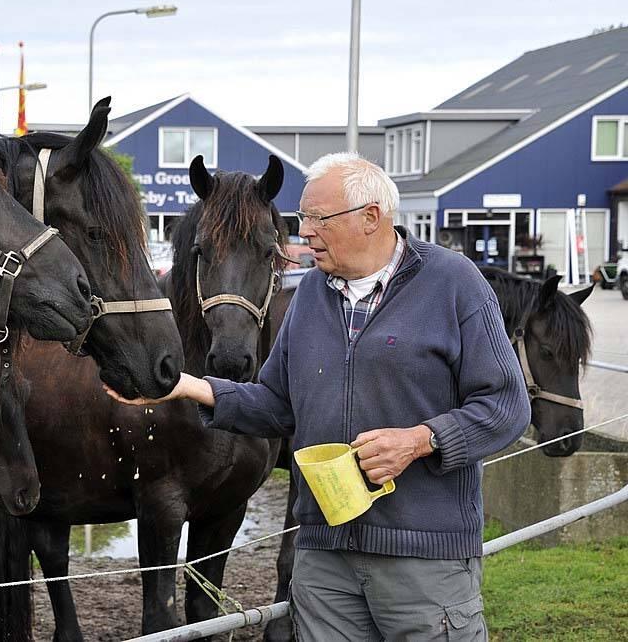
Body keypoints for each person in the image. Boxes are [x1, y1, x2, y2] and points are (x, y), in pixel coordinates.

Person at [106, 152, 530, 640]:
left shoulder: (453, 284)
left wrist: (420, 440)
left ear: (371, 217)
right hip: (323, 562)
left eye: (316, 219)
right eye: (302, 218)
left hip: (424, 561)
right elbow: (276, 404)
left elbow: (505, 406)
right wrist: (181, 386)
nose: (303, 233)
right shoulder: (310, 293)